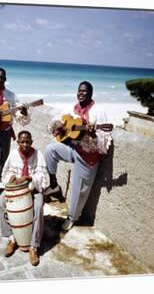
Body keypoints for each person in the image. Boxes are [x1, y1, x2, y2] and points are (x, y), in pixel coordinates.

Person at [44, 81, 113, 232]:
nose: (81, 94)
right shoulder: (73, 108)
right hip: (73, 148)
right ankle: (54, 184)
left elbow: (104, 142)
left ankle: (71, 218)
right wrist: (60, 127)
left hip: (88, 157)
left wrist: (93, 134)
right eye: (79, 91)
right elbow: (58, 122)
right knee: (50, 150)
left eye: (85, 92)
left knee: (79, 189)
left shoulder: (98, 112)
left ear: (91, 94)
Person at [0, 130, 47, 266]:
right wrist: (10, 178)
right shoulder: (13, 154)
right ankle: (12, 238)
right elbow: (5, 172)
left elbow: (43, 175)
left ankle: (34, 246)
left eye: (28, 142)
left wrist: (29, 177)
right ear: (17, 142)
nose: (25, 144)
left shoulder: (38, 155)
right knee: (0, 203)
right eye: (22, 142)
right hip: (16, 189)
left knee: (38, 206)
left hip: (32, 188)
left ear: (31, 142)